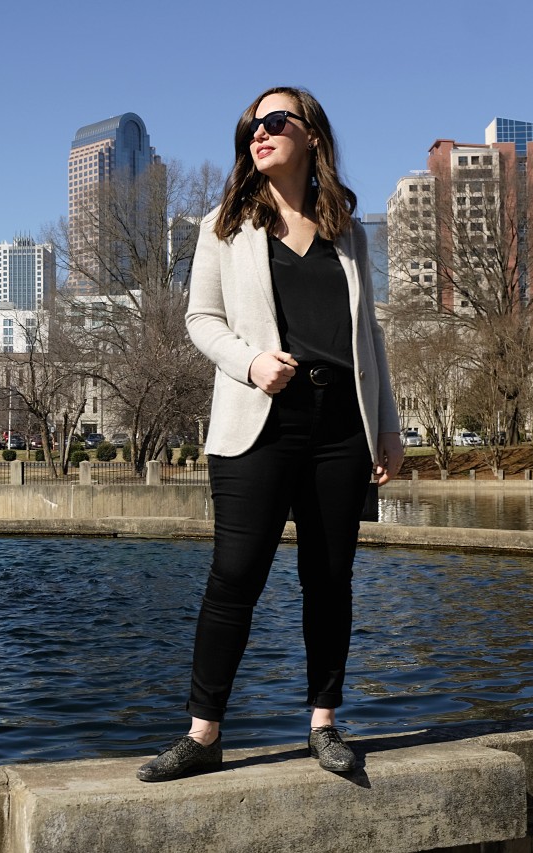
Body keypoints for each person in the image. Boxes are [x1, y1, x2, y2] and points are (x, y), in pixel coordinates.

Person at [137, 86, 403, 783]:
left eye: (276, 120)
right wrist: (252, 362)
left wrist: (389, 427)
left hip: (342, 422)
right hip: (258, 421)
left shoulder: (349, 228)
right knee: (235, 576)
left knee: (328, 578)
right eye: (252, 124)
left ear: (310, 133)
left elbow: (367, 334)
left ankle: (323, 722)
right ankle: (203, 732)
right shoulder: (223, 224)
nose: (261, 132)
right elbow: (200, 319)